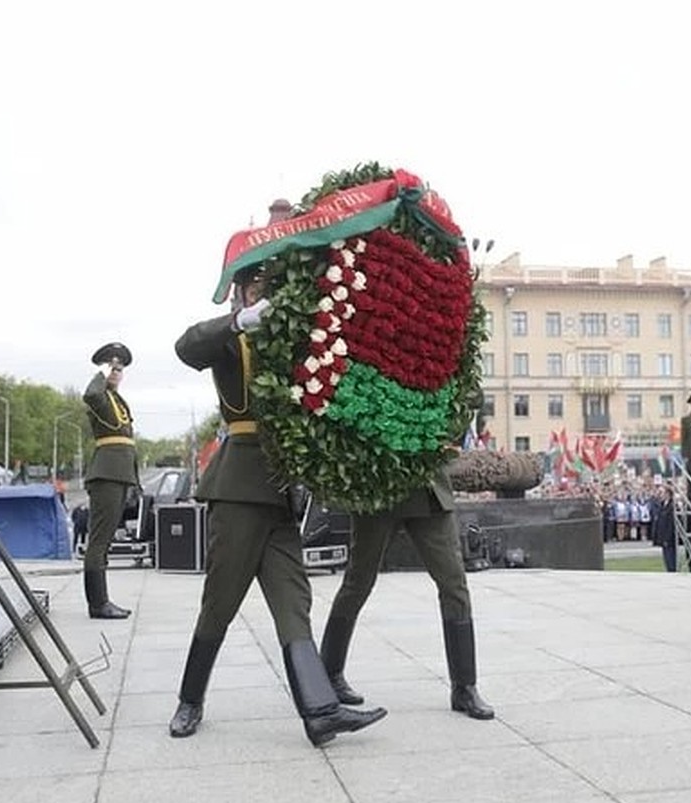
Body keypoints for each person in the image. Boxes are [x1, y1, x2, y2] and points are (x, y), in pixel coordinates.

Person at [168, 198, 386, 746]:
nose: (266, 292)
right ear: (242, 291)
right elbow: (185, 345)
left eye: (272, 284)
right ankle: (189, 701)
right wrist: (241, 320)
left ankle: (320, 713)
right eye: (256, 284)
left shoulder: (294, 344)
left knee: (294, 603)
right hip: (240, 487)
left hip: (282, 490)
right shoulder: (229, 337)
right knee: (220, 601)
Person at [319, 469, 496, 721]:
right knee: (357, 583)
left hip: (427, 491)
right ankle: (329, 674)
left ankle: (464, 687)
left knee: (454, 585)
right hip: (378, 490)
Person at [81, 344, 136, 620]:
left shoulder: (117, 399)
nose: (116, 373)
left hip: (120, 474)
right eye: (112, 368)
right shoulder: (99, 396)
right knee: (99, 541)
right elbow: (90, 393)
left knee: (105, 541)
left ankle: (102, 601)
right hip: (107, 474)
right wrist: (101, 373)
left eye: (120, 369)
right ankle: (98, 603)